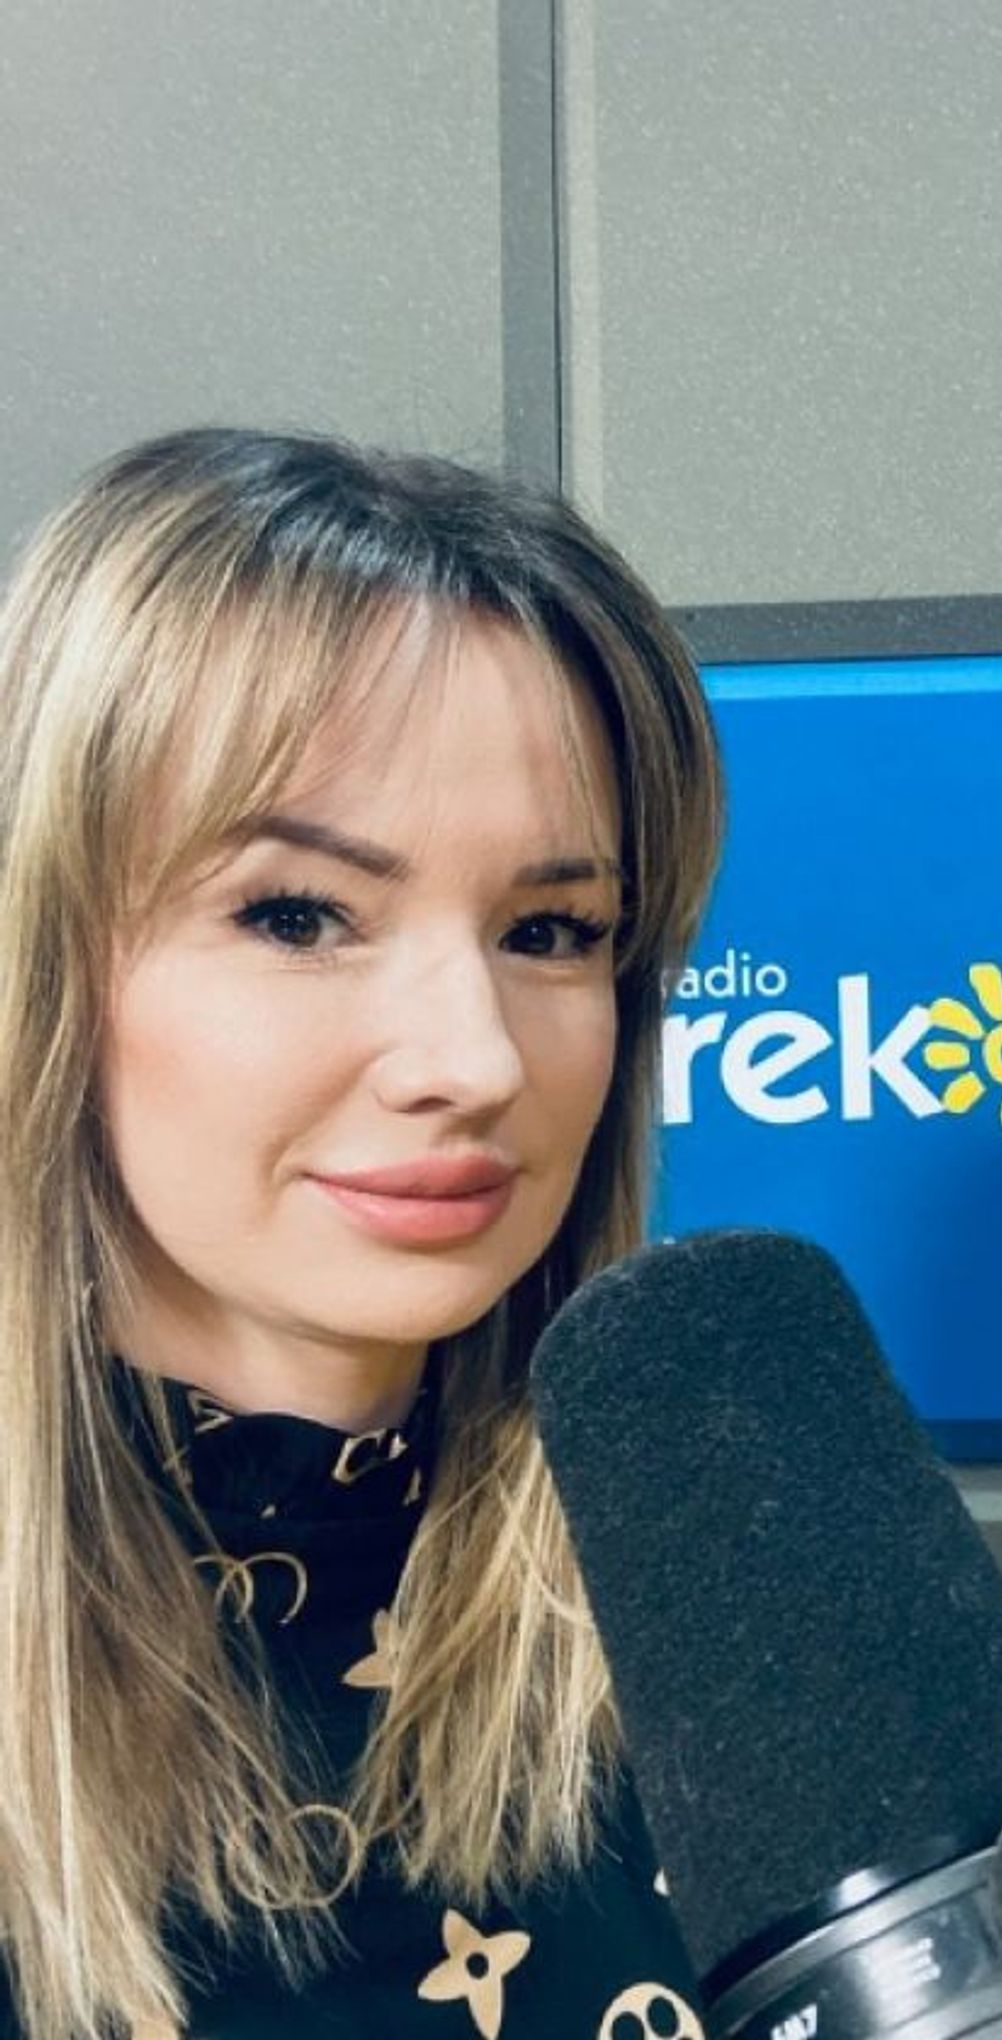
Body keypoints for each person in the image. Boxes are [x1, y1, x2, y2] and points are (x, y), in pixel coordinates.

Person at [0, 427, 724, 2040]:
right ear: (40, 954)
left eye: (551, 930)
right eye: (299, 916)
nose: (473, 1059)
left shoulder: (719, 1601)